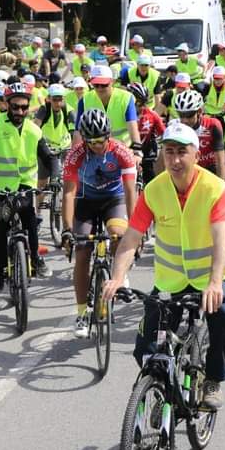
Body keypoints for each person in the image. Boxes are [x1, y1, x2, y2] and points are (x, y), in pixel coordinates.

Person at [103, 121, 225, 410]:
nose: (175, 160)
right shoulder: (154, 191)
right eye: (169, 152)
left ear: (195, 154)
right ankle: (158, 387)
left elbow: (220, 241)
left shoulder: (215, 189)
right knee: (145, 349)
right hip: (170, 281)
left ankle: (213, 377)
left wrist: (215, 283)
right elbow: (130, 240)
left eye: (182, 152)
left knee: (224, 311)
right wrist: (117, 278)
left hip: (213, 276)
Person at [60, 109, 138, 337]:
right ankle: (82, 313)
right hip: (85, 201)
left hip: (114, 199)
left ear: (109, 135)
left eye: (102, 139)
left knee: (118, 234)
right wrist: (66, 230)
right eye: (92, 141)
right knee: (82, 251)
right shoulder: (76, 155)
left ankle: (119, 273)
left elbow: (130, 191)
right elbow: (68, 194)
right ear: (84, 139)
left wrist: (134, 228)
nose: (98, 145)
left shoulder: (121, 151)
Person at [0, 82, 50, 283]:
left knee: (31, 223)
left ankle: (35, 259)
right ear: (7, 104)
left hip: (25, 185)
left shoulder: (34, 130)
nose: (19, 111)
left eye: (24, 107)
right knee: (2, 225)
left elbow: (49, 157)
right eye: (15, 106)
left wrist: (58, 178)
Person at [74, 64, 141, 150]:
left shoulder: (126, 98)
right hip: (95, 150)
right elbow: (77, 132)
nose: (99, 88)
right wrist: (74, 156)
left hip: (122, 149)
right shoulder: (84, 100)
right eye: (96, 85)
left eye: (104, 84)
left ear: (112, 82)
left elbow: (133, 128)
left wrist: (137, 152)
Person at [167, 90, 225, 179]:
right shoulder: (174, 127)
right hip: (188, 170)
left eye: (189, 115)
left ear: (199, 111)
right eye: (181, 115)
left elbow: (220, 161)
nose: (185, 120)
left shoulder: (213, 125)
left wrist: (221, 186)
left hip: (209, 170)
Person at [35, 82, 75, 201]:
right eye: (54, 99)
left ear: (64, 99)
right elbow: (36, 127)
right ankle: (38, 211)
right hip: (46, 148)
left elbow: (76, 129)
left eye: (60, 99)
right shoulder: (44, 110)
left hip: (64, 147)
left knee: (69, 177)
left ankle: (67, 200)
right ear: (48, 99)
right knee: (42, 181)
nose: (57, 103)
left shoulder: (68, 110)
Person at [131, 82, 165, 185]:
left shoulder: (152, 115)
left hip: (147, 152)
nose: (142, 107)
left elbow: (164, 134)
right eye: (138, 104)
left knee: (151, 179)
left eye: (144, 103)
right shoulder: (121, 115)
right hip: (129, 152)